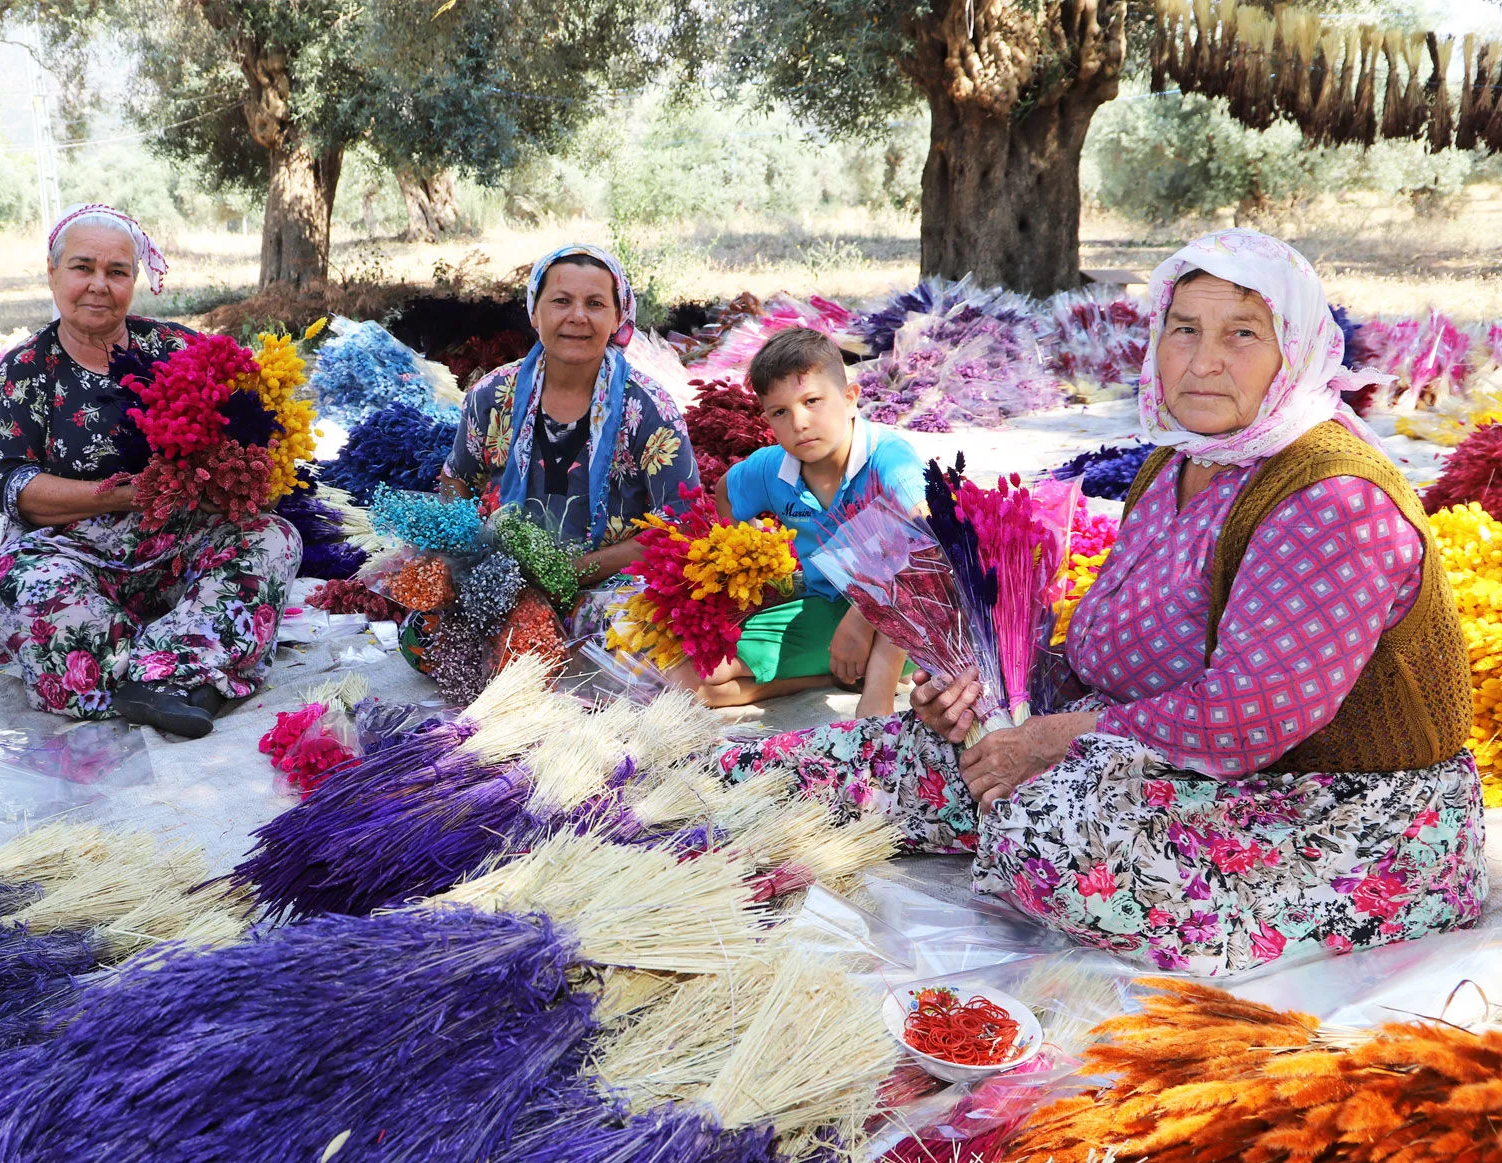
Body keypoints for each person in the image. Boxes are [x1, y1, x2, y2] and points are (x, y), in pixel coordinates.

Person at [716, 229, 1484, 976]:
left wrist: (1054, 738)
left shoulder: (1332, 499)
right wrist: (994, 690)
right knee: (892, 759)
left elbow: (1249, 717)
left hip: (1335, 811)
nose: (1205, 360)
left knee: (1048, 828)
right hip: (1150, 752)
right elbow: (1104, 653)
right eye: (1183, 329)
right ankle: (694, 789)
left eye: (1243, 333)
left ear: (1298, 348)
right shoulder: (1179, 462)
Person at [0, 203, 301, 738]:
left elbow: (250, 435)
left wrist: (232, 480)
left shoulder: (176, 348)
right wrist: (124, 495)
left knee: (273, 538)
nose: (98, 285)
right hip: (72, 551)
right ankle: (186, 671)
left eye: (117, 272)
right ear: (54, 275)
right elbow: (13, 487)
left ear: (135, 279)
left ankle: (144, 672)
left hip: (180, 545)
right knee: (21, 586)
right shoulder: (26, 370)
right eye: (82, 267)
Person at [672, 329, 920, 714]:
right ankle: (831, 676)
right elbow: (725, 493)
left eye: (813, 401)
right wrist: (748, 555)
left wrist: (861, 619)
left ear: (851, 398)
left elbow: (926, 540)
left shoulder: (888, 459)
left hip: (899, 616)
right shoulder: (773, 470)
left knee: (916, 564)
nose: (799, 423)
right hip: (824, 605)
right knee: (698, 677)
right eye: (780, 412)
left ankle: (878, 690)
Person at [439, 244, 700, 587]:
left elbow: (682, 524)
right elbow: (455, 479)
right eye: (561, 301)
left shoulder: (649, 410)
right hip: (501, 586)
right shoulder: (491, 395)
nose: (578, 316)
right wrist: (474, 555)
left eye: (595, 304)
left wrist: (570, 574)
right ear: (535, 312)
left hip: (611, 599)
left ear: (617, 317)